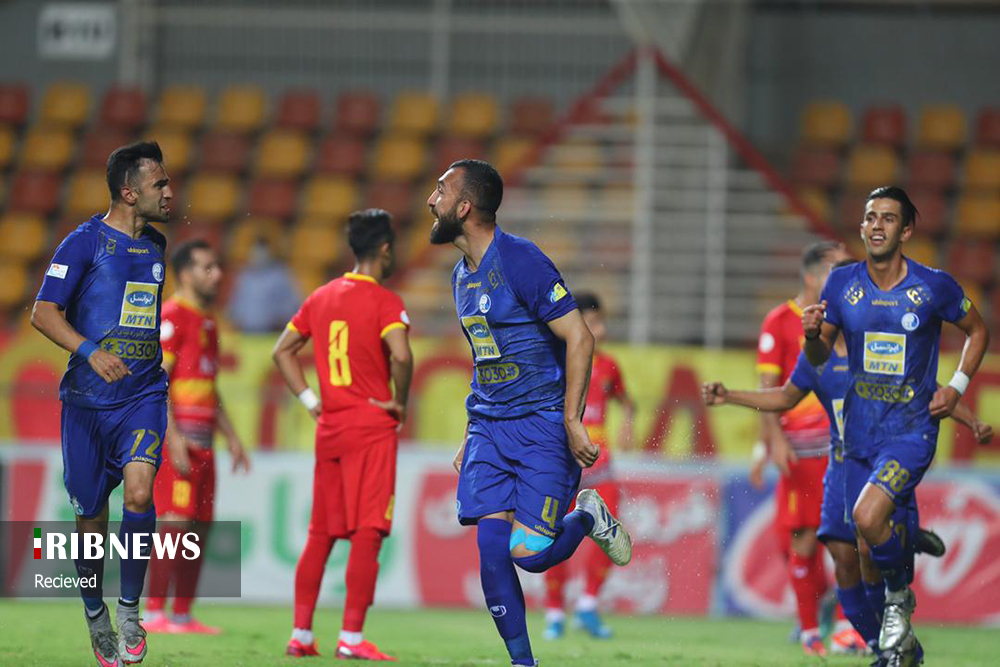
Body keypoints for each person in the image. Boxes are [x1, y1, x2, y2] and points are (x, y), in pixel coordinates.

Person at [704, 262, 993, 659]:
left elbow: (930, 389)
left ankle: (905, 547)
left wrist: (971, 420)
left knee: (870, 545)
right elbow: (785, 397)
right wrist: (730, 397)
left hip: (884, 455)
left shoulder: (881, 345)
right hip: (843, 465)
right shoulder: (817, 359)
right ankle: (885, 645)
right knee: (844, 563)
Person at [428, 159, 632, 667]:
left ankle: (586, 516)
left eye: (441, 191)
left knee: (532, 556)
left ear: (464, 206)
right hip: (489, 427)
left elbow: (579, 336)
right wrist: (470, 430)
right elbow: (487, 358)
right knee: (492, 551)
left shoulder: (521, 260)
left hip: (542, 424)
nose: (431, 201)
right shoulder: (461, 276)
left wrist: (571, 420)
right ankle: (524, 663)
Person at [803, 186, 990, 666]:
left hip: (911, 431)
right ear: (862, 226)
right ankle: (902, 651)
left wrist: (957, 387)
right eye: (871, 217)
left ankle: (899, 597)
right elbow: (819, 356)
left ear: (906, 231)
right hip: (859, 435)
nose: (877, 226)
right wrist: (811, 336)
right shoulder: (840, 284)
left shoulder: (934, 286)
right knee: (865, 551)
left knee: (868, 519)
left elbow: (978, 330)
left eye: (888, 218)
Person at [31, 141, 173, 666]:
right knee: (91, 519)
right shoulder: (83, 243)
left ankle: (130, 610)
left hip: (143, 394)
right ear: (130, 192)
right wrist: (90, 352)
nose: (170, 192)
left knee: (140, 492)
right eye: (160, 184)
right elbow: (43, 313)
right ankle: (96, 614)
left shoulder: (156, 245)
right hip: (87, 403)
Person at [273, 209, 413, 661]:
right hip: (371, 427)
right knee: (368, 531)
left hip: (330, 427)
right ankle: (351, 639)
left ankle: (301, 634)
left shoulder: (320, 297)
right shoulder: (385, 302)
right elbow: (401, 356)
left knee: (321, 534)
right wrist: (399, 400)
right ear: (386, 249)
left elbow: (282, 351)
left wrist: (310, 400)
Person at [144, 239, 250, 634]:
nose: (217, 275)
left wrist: (232, 436)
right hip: (180, 442)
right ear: (186, 274)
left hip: (205, 443)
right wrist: (171, 438)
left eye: (217, 267)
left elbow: (208, 385)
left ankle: (182, 615)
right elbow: (158, 382)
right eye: (208, 268)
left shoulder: (208, 321)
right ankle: (153, 612)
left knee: (200, 529)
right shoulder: (172, 316)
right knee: (175, 526)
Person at [755, 240, 850, 654]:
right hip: (801, 449)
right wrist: (773, 441)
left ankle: (848, 626)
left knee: (848, 539)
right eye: (833, 270)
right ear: (812, 276)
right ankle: (811, 624)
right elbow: (767, 387)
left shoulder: (849, 317)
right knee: (800, 541)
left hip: (843, 446)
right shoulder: (779, 321)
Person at [543, 292, 635, 640]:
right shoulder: (557, 361)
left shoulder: (609, 365)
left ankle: (587, 605)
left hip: (600, 464)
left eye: (601, 322)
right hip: (563, 464)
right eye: (594, 322)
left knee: (611, 533)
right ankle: (554, 613)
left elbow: (627, 402)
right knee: (552, 537)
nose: (602, 329)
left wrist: (627, 424)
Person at [228, 237, 300, 333]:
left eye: (262, 252)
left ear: (269, 253)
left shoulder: (281, 275)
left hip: (271, 332)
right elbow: (234, 306)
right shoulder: (244, 276)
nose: (259, 256)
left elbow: (293, 304)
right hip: (246, 332)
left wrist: (279, 317)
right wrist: (235, 318)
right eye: (256, 252)